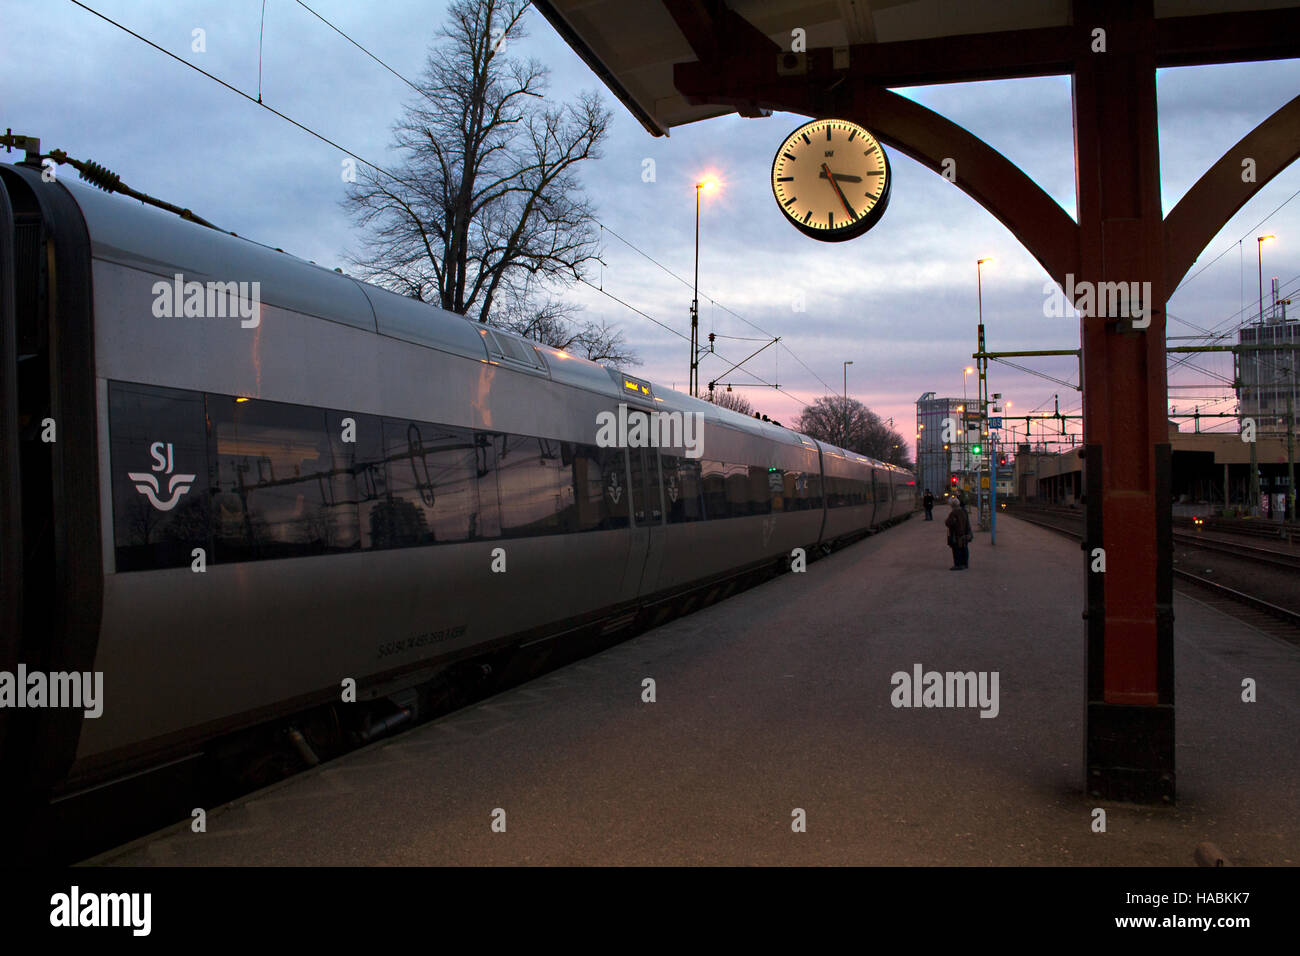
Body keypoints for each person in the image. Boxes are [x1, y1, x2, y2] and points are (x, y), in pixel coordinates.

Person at [945, 496, 971, 570]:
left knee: (956, 550)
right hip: (964, 533)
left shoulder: (953, 513)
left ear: (952, 505)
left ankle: (958, 565)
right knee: (964, 549)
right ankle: (965, 564)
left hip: (956, 534)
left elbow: (948, 523)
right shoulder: (964, 511)